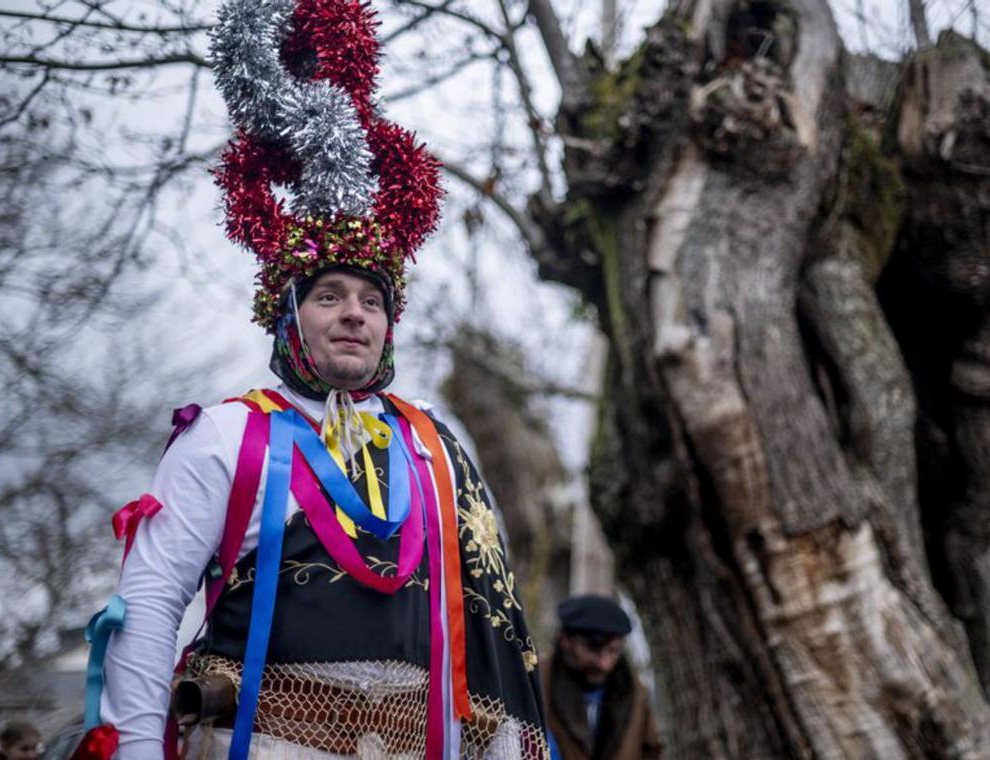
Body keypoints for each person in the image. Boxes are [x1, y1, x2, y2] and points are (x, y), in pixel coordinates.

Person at [87, 1, 548, 758]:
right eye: (329, 297)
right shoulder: (226, 433)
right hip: (260, 741)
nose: (354, 316)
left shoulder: (435, 445)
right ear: (286, 317)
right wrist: (136, 749)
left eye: (373, 301)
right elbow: (149, 602)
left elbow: (486, 622)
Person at [542, 596, 660, 760]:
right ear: (565, 640)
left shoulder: (635, 693)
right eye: (593, 648)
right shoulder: (536, 684)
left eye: (613, 651)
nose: (604, 664)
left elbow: (651, 751)